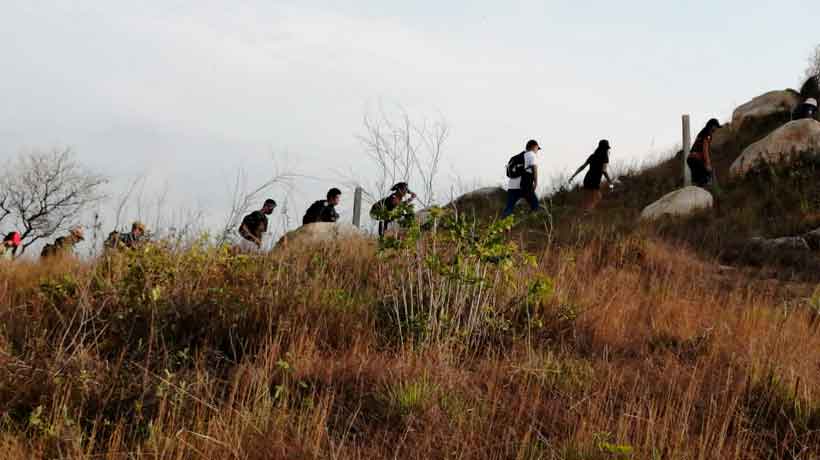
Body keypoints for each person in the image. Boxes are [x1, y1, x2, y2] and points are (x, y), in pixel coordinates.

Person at [569, 139, 613, 211]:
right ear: (605, 149)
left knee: (588, 199)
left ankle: (584, 212)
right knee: (597, 197)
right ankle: (587, 212)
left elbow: (582, 167)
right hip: (595, 180)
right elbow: (604, 171)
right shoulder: (605, 158)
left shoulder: (592, 156)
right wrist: (610, 182)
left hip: (587, 179)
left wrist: (573, 176)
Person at [502, 139, 541, 217]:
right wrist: (536, 182)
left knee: (509, 207)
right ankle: (532, 222)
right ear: (534, 147)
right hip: (524, 186)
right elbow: (534, 168)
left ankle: (503, 225)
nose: (537, 151)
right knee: (535, 206)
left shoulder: (516, 157)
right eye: (537, 149)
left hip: (512, 187)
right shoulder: (531, 154)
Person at [687, 118, 721, 187]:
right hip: (696, 159)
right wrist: (708, 163)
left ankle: (696, 192)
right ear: (712, 126)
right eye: (716, 127)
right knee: (706, 177)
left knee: (696, 181)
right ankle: (709, 191)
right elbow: (705, 149)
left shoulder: (702, 132)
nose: (716, 129)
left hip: (690, 159)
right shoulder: (707, 134)